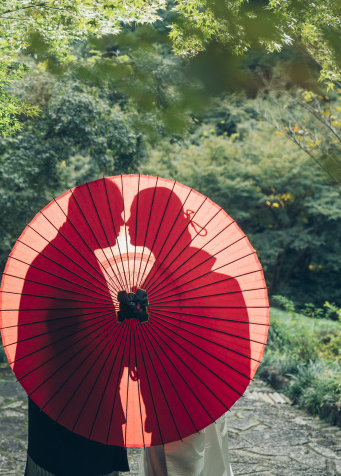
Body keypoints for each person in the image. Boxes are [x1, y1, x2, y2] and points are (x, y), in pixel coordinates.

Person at [128, 186, 247, 476]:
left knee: (178, 468)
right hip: (208, 396)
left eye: (133, 216)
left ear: (153, 222)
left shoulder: (160, 286)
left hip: (174, 399)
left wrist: (137, 323)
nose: (127, 223)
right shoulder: (217, 280)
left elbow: (146, 351)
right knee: (212, 466)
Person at [14, 180, 130, 476]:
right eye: (116, 212)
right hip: (77, 410)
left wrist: (120, 315)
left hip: (65, 406)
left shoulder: (65, 256)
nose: (122, 221)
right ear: (96, 215)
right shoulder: (71, 265)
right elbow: (92, 346)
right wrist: (126, 322)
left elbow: (82, 331)